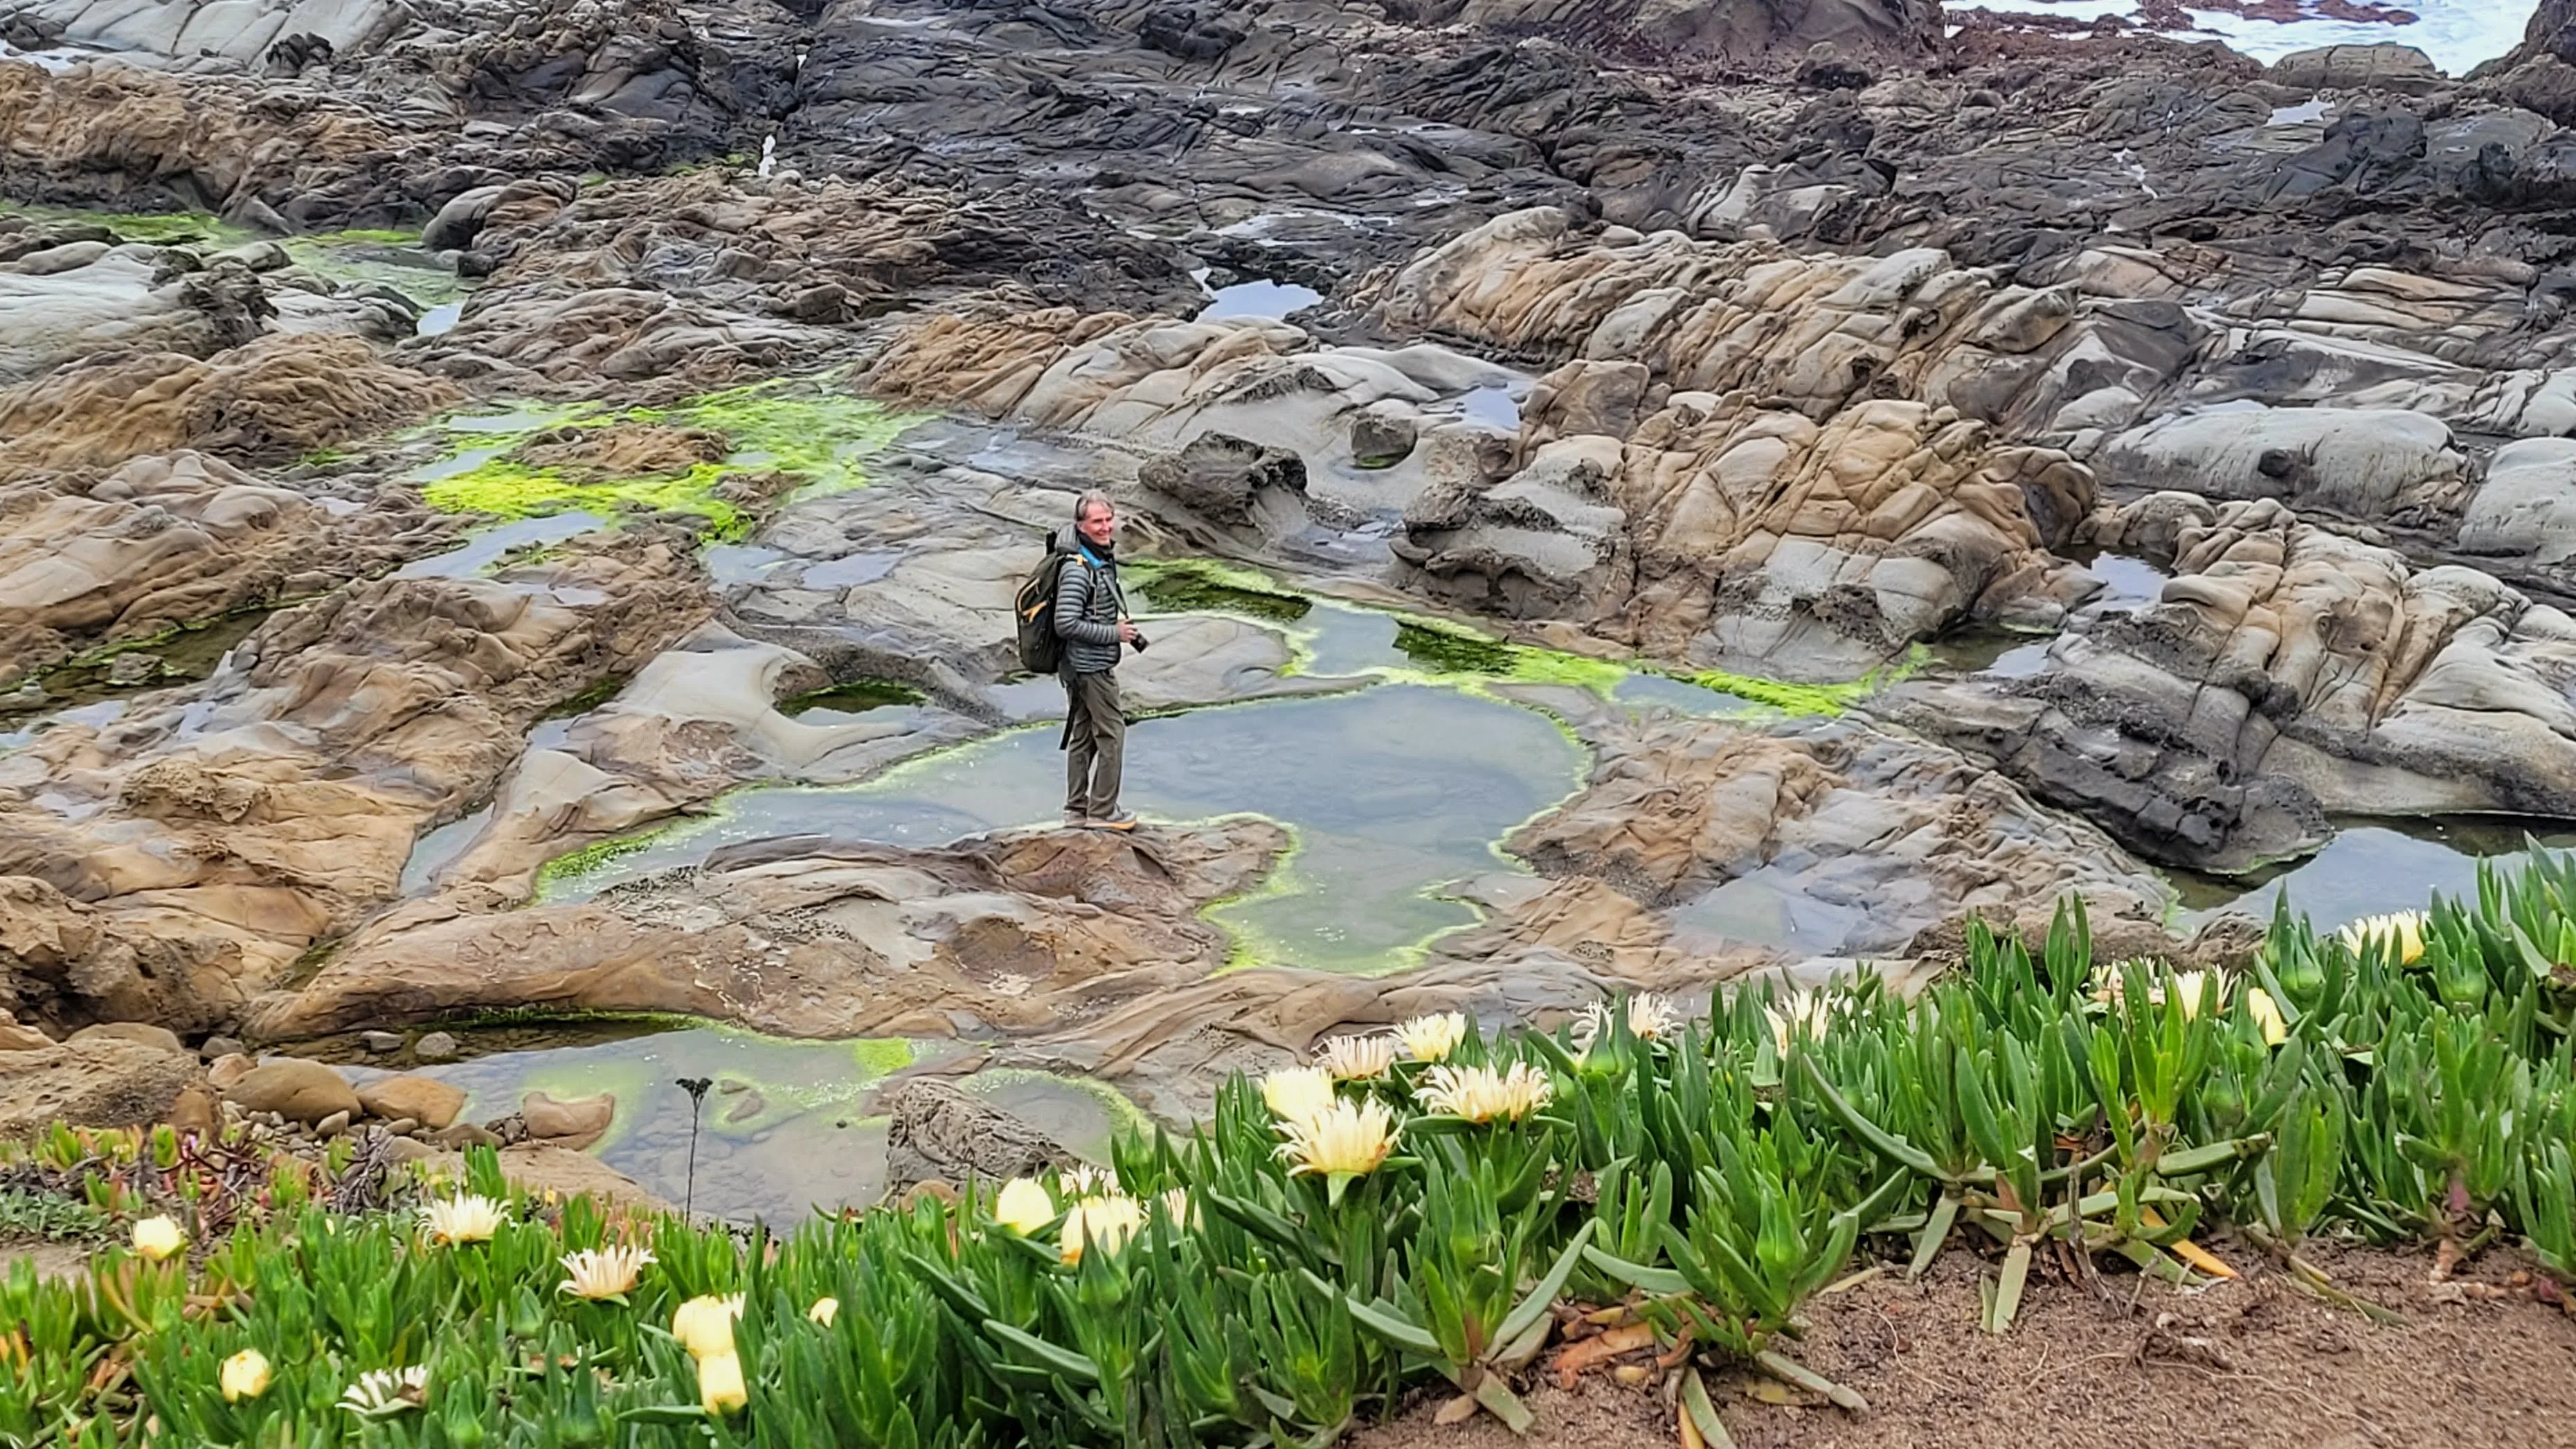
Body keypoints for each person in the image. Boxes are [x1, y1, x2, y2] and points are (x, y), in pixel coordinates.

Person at [1055, 489, 1141, 830]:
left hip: (1080, 665)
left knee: (1084, 735)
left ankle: (1076, 809)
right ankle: (1104, 811)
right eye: (1097, 522)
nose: (1106, 527)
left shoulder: (1093, 557)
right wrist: (1114, 633)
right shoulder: (1078, 569)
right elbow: (1066, 624)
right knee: (1111, 733)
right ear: (1081, 525)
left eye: (1108, 519)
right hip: (1090, 666)